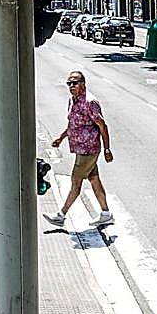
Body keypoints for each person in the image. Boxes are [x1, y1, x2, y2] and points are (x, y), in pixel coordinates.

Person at [44, 71, 114, 229]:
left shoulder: (90, 102)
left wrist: (107, 149)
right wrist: (61, 138)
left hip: (89, 150)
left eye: (75, 83)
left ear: (83, 83)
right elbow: (73, 125)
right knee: (94, 180)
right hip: (80, 149)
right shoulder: (72, 100)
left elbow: (102, 126)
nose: (71, 86)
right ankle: (106, 214)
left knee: (76, 182)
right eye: (69, 83)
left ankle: (61, 215)